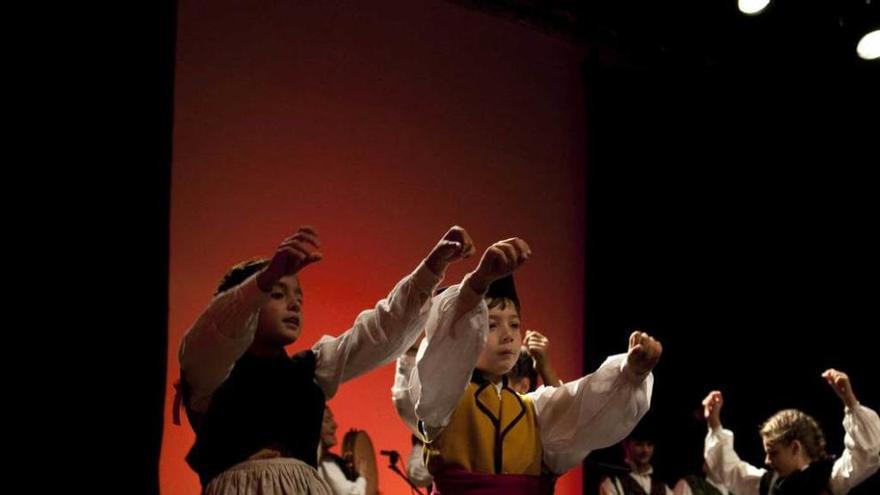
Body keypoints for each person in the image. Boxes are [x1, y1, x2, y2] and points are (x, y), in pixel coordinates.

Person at [176, 225, 475, 494]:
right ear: (247, 299)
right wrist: (263, 280)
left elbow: (378, 332)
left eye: (298, 297)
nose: (294, 303)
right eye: (277, 294)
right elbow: (213, 333)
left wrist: (432, 268)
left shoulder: (311, 369)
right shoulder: (210, 370)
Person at [400, 237, 662, 493]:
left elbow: (583, 405)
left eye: (514, 324)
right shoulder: (445, 402)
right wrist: (477, 284)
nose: (508, 335)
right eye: (491, 325)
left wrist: (629, 374)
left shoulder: (532, 409)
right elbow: (439, 353)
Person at [702, 368, 880, 495]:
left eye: (773, 453)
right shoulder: (767, 484)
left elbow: (866, 453)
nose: (767, 461)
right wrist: (714, 423)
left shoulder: (830, 478)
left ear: (795, 448)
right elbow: (730, 470)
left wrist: (850, 403)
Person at [599, 420, 674, 495]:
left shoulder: (662, 487)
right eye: (639, 444)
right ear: (625, 445)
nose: (645, 450)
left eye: (649, 444)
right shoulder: (614, 482)